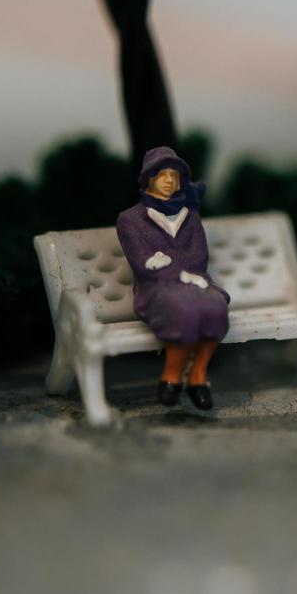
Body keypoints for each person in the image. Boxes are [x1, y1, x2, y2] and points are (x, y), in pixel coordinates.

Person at [116, 147, 230, 410]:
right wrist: (177, 273)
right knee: (185, 309)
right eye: (162, 174)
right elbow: (143, 263)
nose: (169, 180)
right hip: (156, 288)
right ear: (149, 178)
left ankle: (198, 375)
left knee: (215, 306)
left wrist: (187, 273)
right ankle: (172, 376)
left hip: (197, 281)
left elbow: (199, 256)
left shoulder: (190, 217)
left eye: (175, 175)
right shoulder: (130, 220)